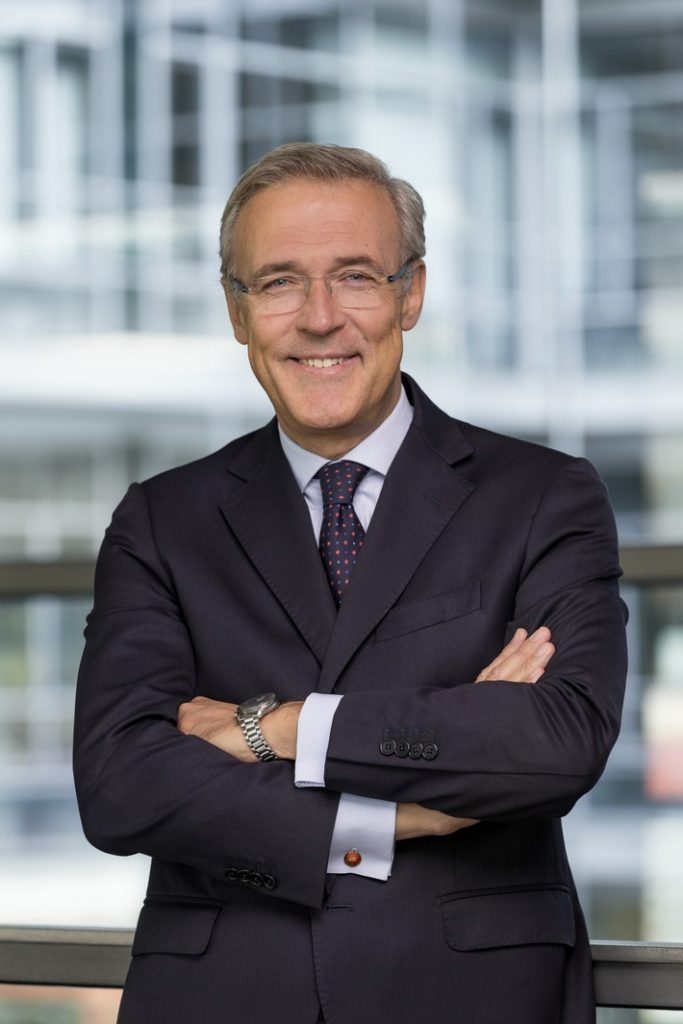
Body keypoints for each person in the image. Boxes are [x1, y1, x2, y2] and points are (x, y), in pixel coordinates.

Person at [73, 143, 627, 1024]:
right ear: (237, 310)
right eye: (279, 282)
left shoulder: (541, 497)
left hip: (472, 997)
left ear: (410, 293)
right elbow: (120, 783)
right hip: (223, 997)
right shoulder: (161, 520)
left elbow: (554, 741)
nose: (320, 318)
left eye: (356, 277)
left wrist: (278, 729)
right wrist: (397, 817)